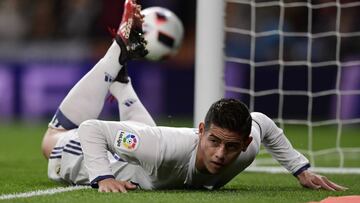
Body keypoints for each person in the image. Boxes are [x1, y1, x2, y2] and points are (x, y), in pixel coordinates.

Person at [41, 0, 347, 193]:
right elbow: (94, 130)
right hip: (94, 156)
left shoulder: (246, 149)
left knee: (148, 146)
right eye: (214, 141)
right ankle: (116, 53)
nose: (220, 154)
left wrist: (300, 168)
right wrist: (102, 177)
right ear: (201, 130)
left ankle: (121, 82)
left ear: (245, 144)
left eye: (231, 146)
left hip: (142, 161)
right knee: (51, 141)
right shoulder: (166, 147)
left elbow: (263, 123)